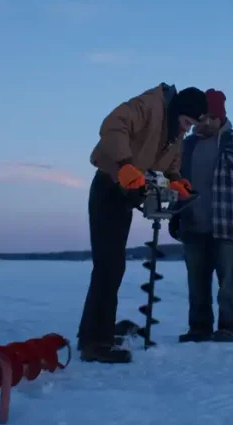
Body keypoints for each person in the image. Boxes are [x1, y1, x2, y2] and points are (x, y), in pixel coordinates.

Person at [79, 83, 207, 363]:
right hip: (109, 186)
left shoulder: (173, 133)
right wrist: (125, 164)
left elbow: (170, 164)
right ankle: (94, 343)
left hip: (128, 192)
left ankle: (96, 333)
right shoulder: (148, 106)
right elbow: (112, 125)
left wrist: (176, 181)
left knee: (113, 266)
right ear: (178, 111)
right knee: (108, 265)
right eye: (186, 123)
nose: (186, 130)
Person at [169, 88, 233, 343]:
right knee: (196, 283)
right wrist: (175, 214)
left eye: (212, 117)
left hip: (228, 226)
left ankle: (229, 328)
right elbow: (175, 180)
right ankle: (199, 327)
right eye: (202, 117)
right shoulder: (185, 146)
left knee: (228, 282)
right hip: (193, 225)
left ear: (222, 117)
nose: (207, 122)